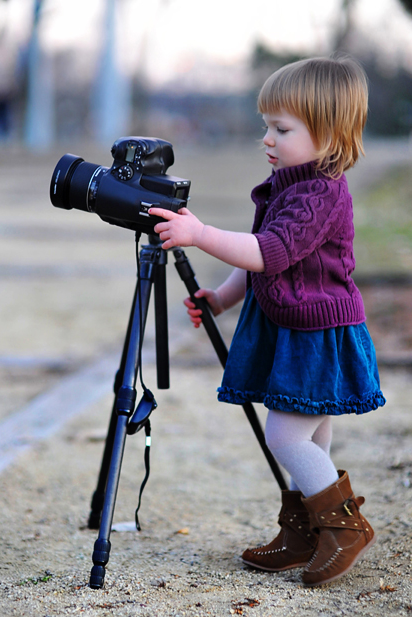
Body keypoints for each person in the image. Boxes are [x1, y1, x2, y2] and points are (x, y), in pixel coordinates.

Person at [149, 55, 383, 587]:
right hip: (294, 327)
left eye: (282, 128)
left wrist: (201, 234)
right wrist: (225, 298)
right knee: (312, 437)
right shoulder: (288, 185)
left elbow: (270, 251)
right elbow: (264, 264)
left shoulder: (320, 192)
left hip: (316, 334)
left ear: (328, 134)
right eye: (266, 127)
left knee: (286, 436)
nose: (268, 139)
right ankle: (305, 533)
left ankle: (343, 528)